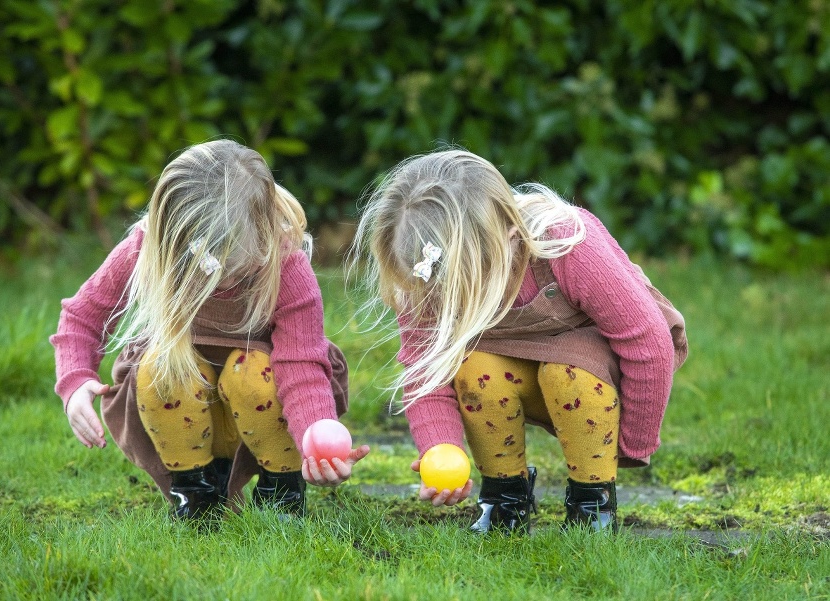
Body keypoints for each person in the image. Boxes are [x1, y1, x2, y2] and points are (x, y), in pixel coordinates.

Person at [350, 149, 686, 533]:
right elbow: (426, 371)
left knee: (567, 372)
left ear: (510, 238)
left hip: (596, 379)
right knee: (473, 369)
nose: (447, 294)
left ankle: (592, 504)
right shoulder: (427, 278)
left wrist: (633, 442)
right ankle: (504, 498)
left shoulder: (566, 245)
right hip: (517, 367)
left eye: (464, 284)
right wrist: (440, 446)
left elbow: (648, 342)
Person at [51, 139, 369, 521]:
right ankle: (196, 493)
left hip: (263, 407)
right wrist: (74, 383)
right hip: (184, 411)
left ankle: (281, 491)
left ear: (266, 228)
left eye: (235, 268)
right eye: (207, 267)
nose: (221, 280)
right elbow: (83, 315)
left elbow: (300, 364)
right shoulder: (148, 246)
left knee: (250, 369)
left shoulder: (286, 265)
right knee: (159, 368)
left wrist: (315, 436)